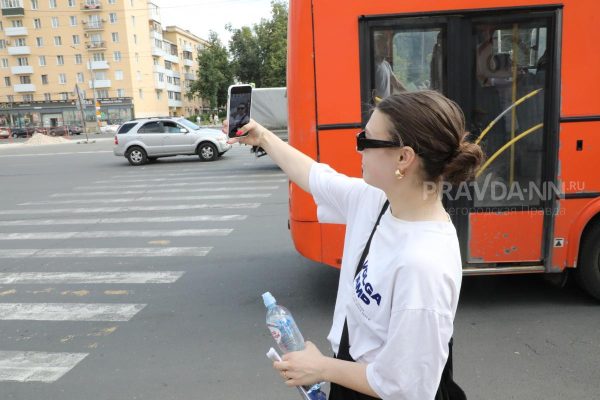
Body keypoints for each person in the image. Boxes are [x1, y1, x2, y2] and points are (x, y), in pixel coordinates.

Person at [225, 90, 483, 400]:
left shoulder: (423, 264)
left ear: (404, 157)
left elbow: (408, 388)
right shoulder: (379, 201)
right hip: (350, 380)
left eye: (366, 141)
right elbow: (315, 177)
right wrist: (263, 137)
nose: (358, 149)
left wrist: (321, 368)